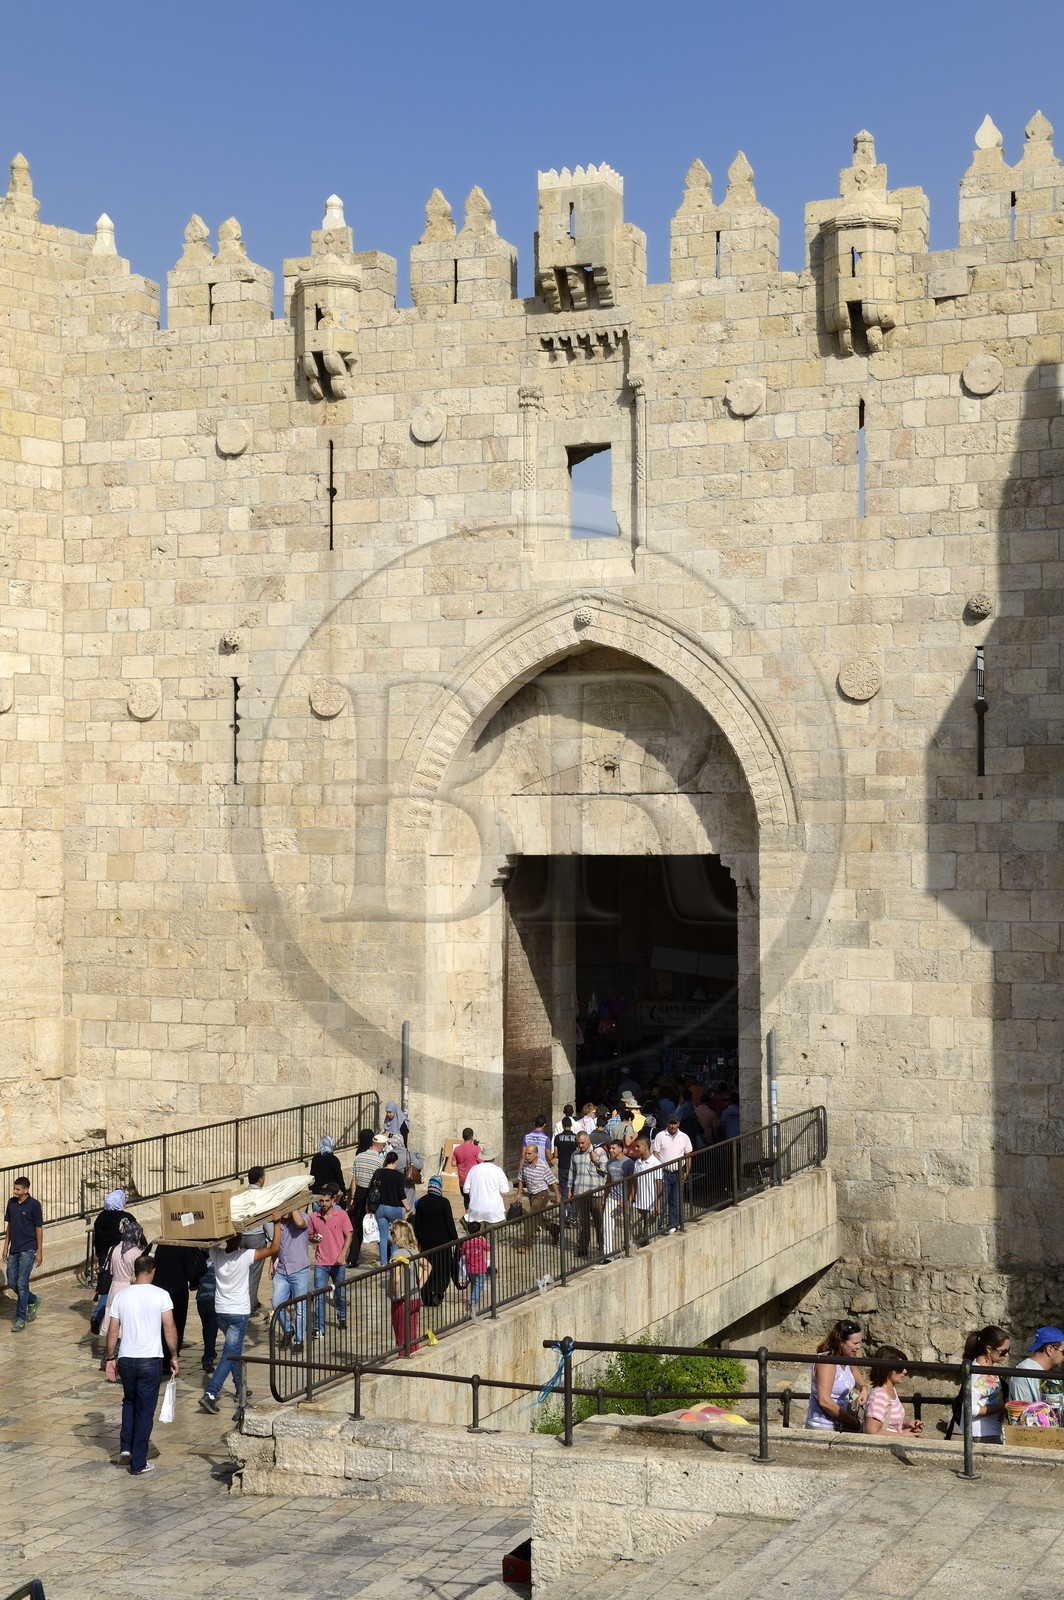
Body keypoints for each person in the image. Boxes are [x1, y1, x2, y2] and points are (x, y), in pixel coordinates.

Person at [104, 1253, 179, 1476]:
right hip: (150, 1359)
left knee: (129, 1401)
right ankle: (138, 1462)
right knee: (145, 1411)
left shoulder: (121, 1296)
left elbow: (113, 1330)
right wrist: (174, 1356)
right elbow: (169, 1328)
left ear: (134, 1272)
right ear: (153, 1271)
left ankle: (125, 1447)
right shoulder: (161, 1295)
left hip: (127, 1358)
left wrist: (110, 1358)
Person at [199, 1226, 279, 1414]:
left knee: (234, 1349)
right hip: (238, 1313)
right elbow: (274, 1248)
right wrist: (276, 1223)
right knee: (230, 1353)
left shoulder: (217, 1254)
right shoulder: (245, 1255)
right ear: (239, 1239)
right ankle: (211, 1394)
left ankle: (240, 1388)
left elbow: (205, 1242)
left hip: (221, 1312)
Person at [307, 1185, 352, 1336]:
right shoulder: (314, 1217)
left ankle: (342, 1317)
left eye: (327, 1200)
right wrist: (313, 1238)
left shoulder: (342, 1215)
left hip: (338, 1262)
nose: (324, 1204)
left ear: (333, 1200)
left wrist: (343, 1253)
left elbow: (349, 1235)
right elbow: (310, 1235)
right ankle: (319, 1328)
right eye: (321, 1201)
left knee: (340, 1293)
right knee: (319, 1295)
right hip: (321, 1262)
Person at [806, 1319, 865, 1431]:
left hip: (840, 1424)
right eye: (855, 1343)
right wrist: (852, 1421)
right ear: (841, 1342)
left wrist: (863, 1388)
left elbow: (854, 1371)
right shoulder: (827, 1362)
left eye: (860, 1342)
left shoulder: (847, 1358)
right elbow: (824, 1401)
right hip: (823, 1426)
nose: (859, 1347)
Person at [90, 1189, 134, 1334]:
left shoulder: (100, 1218)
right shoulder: (125, 1218)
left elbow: (97, 1239)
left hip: (104, 1257)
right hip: (121, 1257)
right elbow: (135, 1235)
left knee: (106, 1288)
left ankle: (98, 1316)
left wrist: (99, 1255)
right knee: (122, 1286)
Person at [4, 1176, 43, 1332]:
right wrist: (5, 1247)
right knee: (12, 1282)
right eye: (14, 1188)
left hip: (28, 1249)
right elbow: (10, 1226)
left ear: (26, 1190)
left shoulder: (34, 1205)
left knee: (22, 1284)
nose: (14, 1191)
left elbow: (38, 1228)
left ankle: (20, 1318)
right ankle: (33, 1299)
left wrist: (39, 1251)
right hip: (14, 1249)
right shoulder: (11, 1203)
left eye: (17, 1189)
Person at [150, 1243, 206, 1353]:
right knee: (177, 1323)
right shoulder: (183, 1245)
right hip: (177, 1291)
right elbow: (192, 1270)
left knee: (158, 1323)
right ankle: (173, 1353)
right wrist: (194, 1283)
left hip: (157, 1290)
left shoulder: (158, 1244)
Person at [413, 1175, 459, 1307]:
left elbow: (417, 1225)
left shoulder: (421, 1202)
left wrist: (416, 1241)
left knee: (428, 1268)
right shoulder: (444, 1202)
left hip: (426, 1242)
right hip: (443, 1243)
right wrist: (456, 1240)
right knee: (442, 1269)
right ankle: (438, 1293)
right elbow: (450, 1223)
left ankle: (427, 1295)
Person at [100, 1217, 148, 1341]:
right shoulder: (137, 1253)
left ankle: (111, 1346)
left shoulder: (113, 1249)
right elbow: (137, 1274)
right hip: (129, 1287)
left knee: (113, 1314)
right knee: (127, 1318)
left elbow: (110, 1270)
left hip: (114, 1287)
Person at [961, 1324, 1010, 1442]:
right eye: (1003, 1351)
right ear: (989, 1349)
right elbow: (969, 1408)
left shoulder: (986, 1369)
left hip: (989, 1432)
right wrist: (1000, 1408)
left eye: (1008, 1350)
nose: (1007, 1354)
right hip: (982, 1434)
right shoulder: (979, 1374)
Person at [387, 1218, 429, 1355]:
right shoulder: (414, 1252)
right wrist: (419, 1286)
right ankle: (414, 1355)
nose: (391, 1235)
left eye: (392, 1232)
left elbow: (397, 1278)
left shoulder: (397, 1254)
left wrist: (397, 1295)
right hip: (415, 1297)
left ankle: (404, 1357)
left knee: (401, 1336)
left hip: (402, 1301)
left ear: (398, 1235)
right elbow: (428, 1267)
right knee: (412, 1334)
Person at [271, 1206, 310, 1349]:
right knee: (277, 1304)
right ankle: (288, 1330)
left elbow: (300, 1223)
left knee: (300, 1308)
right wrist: (271, 1264)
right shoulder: (279, 1223)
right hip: (282, 1270)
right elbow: (275, 1244)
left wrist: (294, 1206)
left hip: (299, 1270)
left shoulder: (304, 1217)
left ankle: (299, 1341)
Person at [863, 1346, 923, 1436]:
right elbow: (872, 1431)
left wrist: (906, 1424)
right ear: (887, 1369)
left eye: (905, 1367)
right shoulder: (879, 1395)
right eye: (899, 1368)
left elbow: (887, 1423)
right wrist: (903, 1436)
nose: (905, 1371)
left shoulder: (891, 1390)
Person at [567, 1132, 608, 1255]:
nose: (580, 1145)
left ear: (588, 1141)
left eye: (582, 1143)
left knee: (599, 1222)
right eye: (578, 1143)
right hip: (580, 1192)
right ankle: (582, 1248)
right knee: (582, 1223)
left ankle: (603, 1248)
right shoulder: (575, 1154)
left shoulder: (599, 1152)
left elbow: (606, 1169)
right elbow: (572, 1172)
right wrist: (569, 1189)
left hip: (596, 1193)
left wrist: (595, 1161)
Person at [652, 1114, 693, 1234]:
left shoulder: (684, 1137)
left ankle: (673, 1224)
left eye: (675, 1123)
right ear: (667, 1123)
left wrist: (687, 1172)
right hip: (663, 1173)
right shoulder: (660, 1135)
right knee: (662, 1199)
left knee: (676, 1200)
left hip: (678, 1172)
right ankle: (658, 1225)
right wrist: (656, 1173)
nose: (673, 1126)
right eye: (671, 1123)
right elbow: (656, 1155)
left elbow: (688, 1155)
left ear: (678, 1124)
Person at [515, 1143, 561, 1249]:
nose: (527, 1156)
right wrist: (518, 1193)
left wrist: (558, 1197)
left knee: (530, 1217)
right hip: (532, 1194)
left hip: (542, 1194)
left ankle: (526, 1244)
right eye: (526, 1153)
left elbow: (553, 1182)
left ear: (536, 1154)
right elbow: (521, 1179)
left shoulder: (542, 1166)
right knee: (538, 1218)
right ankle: (554, 1229)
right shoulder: (525, 1165)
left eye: (529, 1154)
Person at [371, 1149, 412, 1268]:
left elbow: (372, 1189)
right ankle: (393, 1259)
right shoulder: (398, 1176)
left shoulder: (378, 1172)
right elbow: (401, 1194)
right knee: (396, 1235)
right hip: (395, 1208)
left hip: (380, 1207)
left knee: (383, 1236)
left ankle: (383, 1263)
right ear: (395, 1162)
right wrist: (408, 1208)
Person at [348, 1130, 385, 1256]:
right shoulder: (380, 1161)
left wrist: (352, 1197)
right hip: (372, 1195)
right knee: (379, 1223)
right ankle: (385, 1256)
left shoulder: (359, 1157)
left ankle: (352, 1258)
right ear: (380, 1146)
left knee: (358, 1225)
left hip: (359, 1192)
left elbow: (354, 1179)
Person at [240, 1167, 270, 1317]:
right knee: (254, 1273)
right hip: (256, 1237)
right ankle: (250, 1306)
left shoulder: (242, 1194)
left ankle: (252, 1300)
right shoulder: (262, 1195)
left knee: (244, 1271)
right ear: (260, 1179)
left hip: (242, 1236)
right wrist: (272, 1236)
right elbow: (266, 1217)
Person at [1009, 1325, 1064, 1407]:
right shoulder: (1024, 1373)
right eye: (1063, 1351)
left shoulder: (1039, 1371)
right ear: (1050, 1350)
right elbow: (1024, 1411)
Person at [464, 1145, 510, 1227]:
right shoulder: (498, 1170)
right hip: (494, 1211)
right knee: (493, 1234)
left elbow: (466, 1190)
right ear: (494, 1158)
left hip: (476, 1210)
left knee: (477, 1235)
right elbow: (505, 1192)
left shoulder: (474, 1169)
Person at [602, 1139, 633, 1261]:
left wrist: (628, 1199)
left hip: (625, 1198)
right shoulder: (609, 1163)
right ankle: (608, 1254)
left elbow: (633, 1183)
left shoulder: (629, 1163)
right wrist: (604, 1197)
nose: (611, 1150)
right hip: (612, 1197)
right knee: (607, 1225)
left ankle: (628, 1246)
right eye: (610, 1148)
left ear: (620, 1149)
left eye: (613, 1148)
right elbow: (608, 1181)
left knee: (628, 1224)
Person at [630, 1138, 663, 1246]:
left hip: (651, 1205)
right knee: (636, 1234)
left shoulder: (656, 1163)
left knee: (651, 1237)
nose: (636, 1148)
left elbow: (659, 1186)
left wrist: (658, 1205)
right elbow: (634, 1183)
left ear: (646, 1147)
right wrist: (630, 1199)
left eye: (638, 1146)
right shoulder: (637, 1163)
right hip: (638, 1204)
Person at [460, 1222, 490, 1320]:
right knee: (479, 1285)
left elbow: (462, 1253)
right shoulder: (480, 1242)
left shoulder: (466, 1242)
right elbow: (488, 1248)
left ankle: (473, 1301)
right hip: (480, 1268)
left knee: (474, 1284)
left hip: (470, 1269)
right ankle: (473, 1302)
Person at [196, 1254, 218, 1374]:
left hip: (201, 1300)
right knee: (211, 1330)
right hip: (214, 1300)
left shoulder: (198, 1263)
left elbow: (193, 1284)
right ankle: (208, 1358)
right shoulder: (219, 1262)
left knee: (206, 1328)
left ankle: (210, 1352)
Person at [451, 1128, 482, 1207]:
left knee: (466, 1200)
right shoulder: (476, 1149)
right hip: (474, 1180)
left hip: (463, 1180)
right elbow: (482, 1162)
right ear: (472, 1137)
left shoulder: (457, 1149)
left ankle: (467, 1214)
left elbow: (453, 1163)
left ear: (463, 1137)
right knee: (476, 1200)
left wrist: (461, 1162)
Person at [552, 1117, 578, 1199]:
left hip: (562, 1166)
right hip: (573, 1166)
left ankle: (565, 1206)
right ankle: (572, 1207)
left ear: (562, 1125)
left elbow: (555, 1154)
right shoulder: (576, 1137)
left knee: (564, 1191)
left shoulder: (557, 1137)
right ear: (571, 1125)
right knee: (573, 1190)